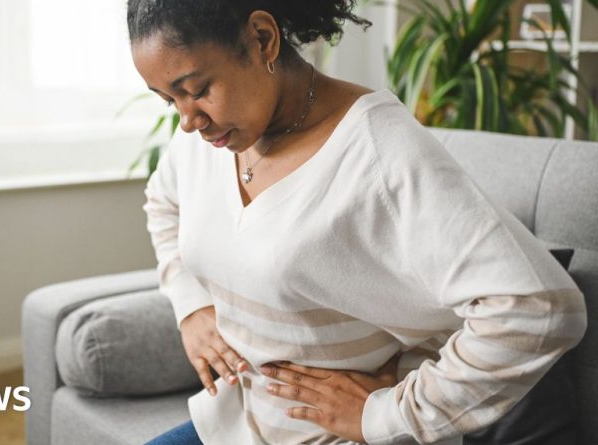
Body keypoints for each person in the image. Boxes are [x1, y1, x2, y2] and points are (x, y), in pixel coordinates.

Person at [130, 1, 588, 444]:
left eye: (197, 89)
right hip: (235, 428)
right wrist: (190, 305)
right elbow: (163, 201)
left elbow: (540, 307)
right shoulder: (212, 140)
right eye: (170, 99)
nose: (188, 121)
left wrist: (388, 415)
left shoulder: (378, 150)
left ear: (262, 39)